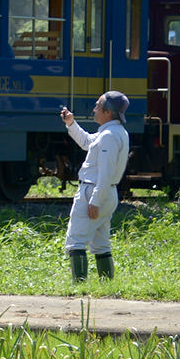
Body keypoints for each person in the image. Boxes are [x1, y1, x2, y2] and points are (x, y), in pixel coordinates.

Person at [61, 92, 130, 282]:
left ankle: (80, 286)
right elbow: (86, 142)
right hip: (108, 193)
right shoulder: (115, 132)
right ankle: (106, 285)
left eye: (98, 106)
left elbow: (106, 172)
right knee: (101, 244)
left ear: (108, 112)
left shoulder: (108, 136)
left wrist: (95, 201)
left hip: (93, 191)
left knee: (75, 240)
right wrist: (71, 124)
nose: (94, 109)